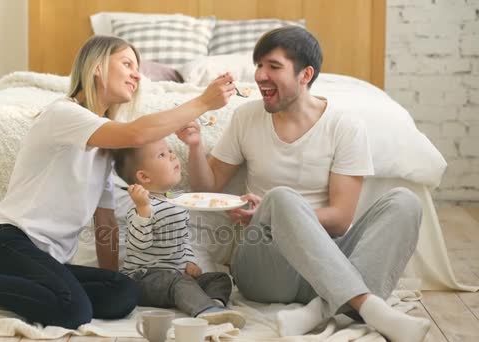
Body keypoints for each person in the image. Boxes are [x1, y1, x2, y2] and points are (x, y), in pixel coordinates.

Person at [0, 35, 237, 329]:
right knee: (74, 311)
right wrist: (203, 102)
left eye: (138, 69)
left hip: (48, 260)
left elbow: (106, 222)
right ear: (97, 67)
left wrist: (111, 278)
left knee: (123, 294)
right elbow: (137, 133)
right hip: (10, 243)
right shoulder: (64, 115)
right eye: (127, 64)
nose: (137, 75)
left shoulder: (104, 147)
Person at [177, 26, 430, 342]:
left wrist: (275, 211)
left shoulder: (344, 126)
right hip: (264, 268)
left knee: (405, 202)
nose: (260, 75)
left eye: (273, 66)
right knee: (281, 198)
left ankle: (319, 310)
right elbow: (209, 188)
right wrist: (196, 147)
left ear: (305, 74)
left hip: (324, 267)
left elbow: (339, 221)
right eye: (259, 65)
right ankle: (367, 305)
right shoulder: (245, 117)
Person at [113, 139, 246, 328]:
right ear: (144, 177)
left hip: (175, 276)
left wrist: (189, 261)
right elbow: (138, 244)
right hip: (144, 279)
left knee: (220, 277)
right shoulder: (141, 207)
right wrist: (143, 209)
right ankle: (205, 311)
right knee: (179, 283)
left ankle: (214, 304)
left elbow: (182, 239)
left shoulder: (177, 201)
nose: (172, 155)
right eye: (162, 155)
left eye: (169, 151)